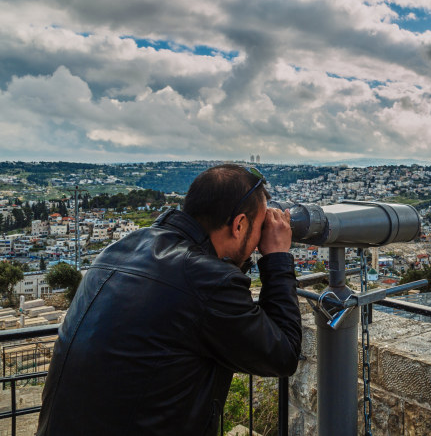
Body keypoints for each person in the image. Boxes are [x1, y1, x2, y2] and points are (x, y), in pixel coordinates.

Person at [37, 164, 302, 436]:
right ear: (239, 225)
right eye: (260, 228)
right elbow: (284, 354)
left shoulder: (116, 250)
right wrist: (277, 257)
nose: (260, 239)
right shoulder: (207, 280)